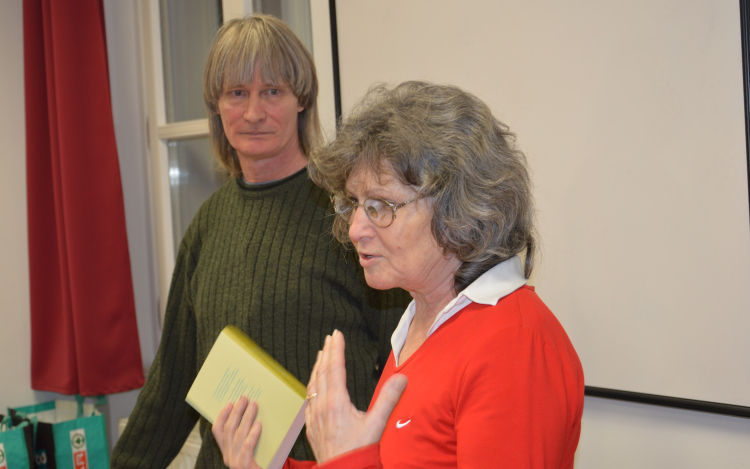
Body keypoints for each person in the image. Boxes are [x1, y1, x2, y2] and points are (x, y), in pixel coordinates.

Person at [213, 81, 585, 468]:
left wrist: (344, 459)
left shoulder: (512, 344)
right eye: (355, 204)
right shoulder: (422, 321)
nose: (356, 229)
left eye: (381, 206)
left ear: (459, 209)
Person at [111, 15, 409, 469]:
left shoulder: (348, 214)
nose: (253, 113)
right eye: (237, 93)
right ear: (216, 106)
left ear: (301, 101)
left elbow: (403, 360)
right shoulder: (208, 225)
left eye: (272, 91)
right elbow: (171, 382)